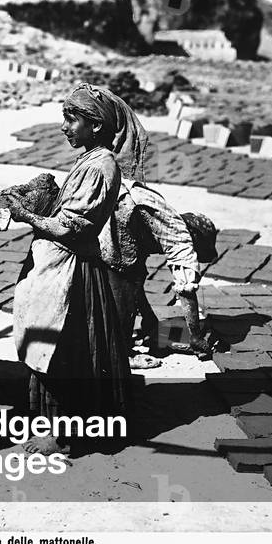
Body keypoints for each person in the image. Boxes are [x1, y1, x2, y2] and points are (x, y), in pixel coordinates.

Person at [3, 84, 130, 458]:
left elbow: (72, 227)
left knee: (63, 351)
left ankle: (62, 437)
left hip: (74, 271)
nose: (64, 127)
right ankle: (59, 427)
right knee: (57, 348)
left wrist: (26, 215)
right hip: (63, 264)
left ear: (95, 125)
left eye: (71, 120)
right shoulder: (90, 159)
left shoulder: (101, 166)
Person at [93, 89, 219, 365]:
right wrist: (195, 335)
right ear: (195, 239)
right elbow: (186, 287)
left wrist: (151, 323)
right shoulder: (177, 233)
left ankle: (114, 343)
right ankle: (121, 354)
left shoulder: (154, 228)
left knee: (127, 276)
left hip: (114, 211)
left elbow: (138, 280)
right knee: (121, 279)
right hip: (115, 219)